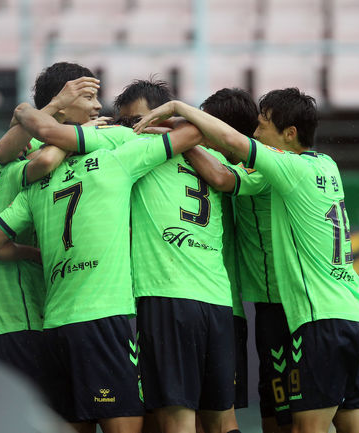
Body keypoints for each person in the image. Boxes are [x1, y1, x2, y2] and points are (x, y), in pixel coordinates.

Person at [134, 88, 359, 433]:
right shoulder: (327, 164)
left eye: (262, 125)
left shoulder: (283, 167)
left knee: (298, 427)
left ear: (290, 133)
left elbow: (225, 170)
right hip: (357, 309)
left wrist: (179, 121)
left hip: (311, 313)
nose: (255, 133)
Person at [0, 102, 203, 433]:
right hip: (103, 318)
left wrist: (35, 254)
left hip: (54, 326)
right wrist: (160, 119)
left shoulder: (37, 186)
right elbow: (193, 133)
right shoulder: (116, 161)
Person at [128, 88, 263, 433]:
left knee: (176, 415)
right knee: (218, 417)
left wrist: (178, 133)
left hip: (177, 296)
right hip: (222, 304)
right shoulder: (243, 167)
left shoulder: (223, 167)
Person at [0, 71, 101, 398]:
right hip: (22, 314)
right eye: (88, 97)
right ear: (61, 107)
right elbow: (37, 156)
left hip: (0, 315)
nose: (98, 107)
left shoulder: (1, 164)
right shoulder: (30, 161)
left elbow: (4, 146)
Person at [182, 103, 293, 432]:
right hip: (259, 306)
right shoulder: (220, 167)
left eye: (207, 130)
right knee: (268, 411)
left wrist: (178, 135)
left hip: (289, 306)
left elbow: (221, 177)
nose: (203, 138)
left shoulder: (263, 166)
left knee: (295, 417)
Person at [0, 61, 110, 164]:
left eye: (96, 97)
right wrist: (56, 105)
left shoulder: (104, 135)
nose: (98, 105)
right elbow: (1, 153)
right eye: (89, 97)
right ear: (63, 103)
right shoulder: (29, 140)